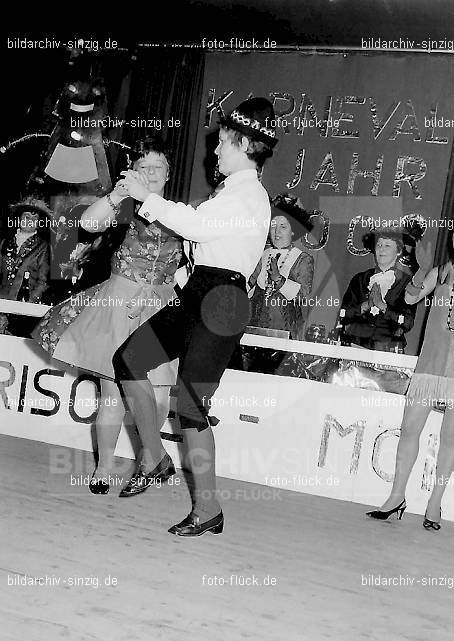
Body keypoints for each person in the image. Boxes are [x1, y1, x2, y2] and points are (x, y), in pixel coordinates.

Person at [112, 97, 277, 537]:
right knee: (128, 360)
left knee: (189, 403)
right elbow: (202, 242)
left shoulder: (249, 195)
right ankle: (154, 457)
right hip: (197, 293)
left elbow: (198, 228)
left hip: (222, 301)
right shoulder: (230, 194)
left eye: (223, 142)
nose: (215, 150)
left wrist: (146, 197)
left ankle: (209, 508)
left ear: (244, 143)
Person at [33, 135, 182, 494]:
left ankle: (149, 460)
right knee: (113, 393)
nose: (150, 173)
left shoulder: (181, 213)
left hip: (160, 306)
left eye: (157, 166)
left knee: (159, 395)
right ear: (132, 171)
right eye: (143, 166)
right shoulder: (125, 206)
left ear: (167, 174)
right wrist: (116, 195)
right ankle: (103, 468)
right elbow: (89, 223)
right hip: (118, 302)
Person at [367, 235, 454, 530]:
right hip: (430, 365)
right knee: (409, 430)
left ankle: (434, 503)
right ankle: (396, 497)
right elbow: (410, 298)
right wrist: (422, 269)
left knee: (451, 439)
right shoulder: (440, 272)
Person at [340, 226, 417, 352]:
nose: (382, 249)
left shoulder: (407, 283)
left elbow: (408, 322)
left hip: (388, 349)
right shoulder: (359, 279)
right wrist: (366, 305)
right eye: (379, 245)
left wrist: (383, 306)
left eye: (387, 245)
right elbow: (344, 314)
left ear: (398, 251)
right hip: (354, 345)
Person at [248, 195, 314, 340]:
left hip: (284, 331)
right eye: (273, 226)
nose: (277, 232)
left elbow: (302, 297)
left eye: (283, 227)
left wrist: (279, 279)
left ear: (293, 231)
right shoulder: (262, 254)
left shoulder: (302, 258)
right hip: (253, 327)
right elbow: (249, 286)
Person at [0, 197, 52, 336]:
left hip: (22, 313)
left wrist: (25, 307)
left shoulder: (43, 247)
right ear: (19, 219)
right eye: (26, 216)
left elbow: (43, 282)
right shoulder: (5, 243)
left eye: (34, 218)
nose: (29, 220)